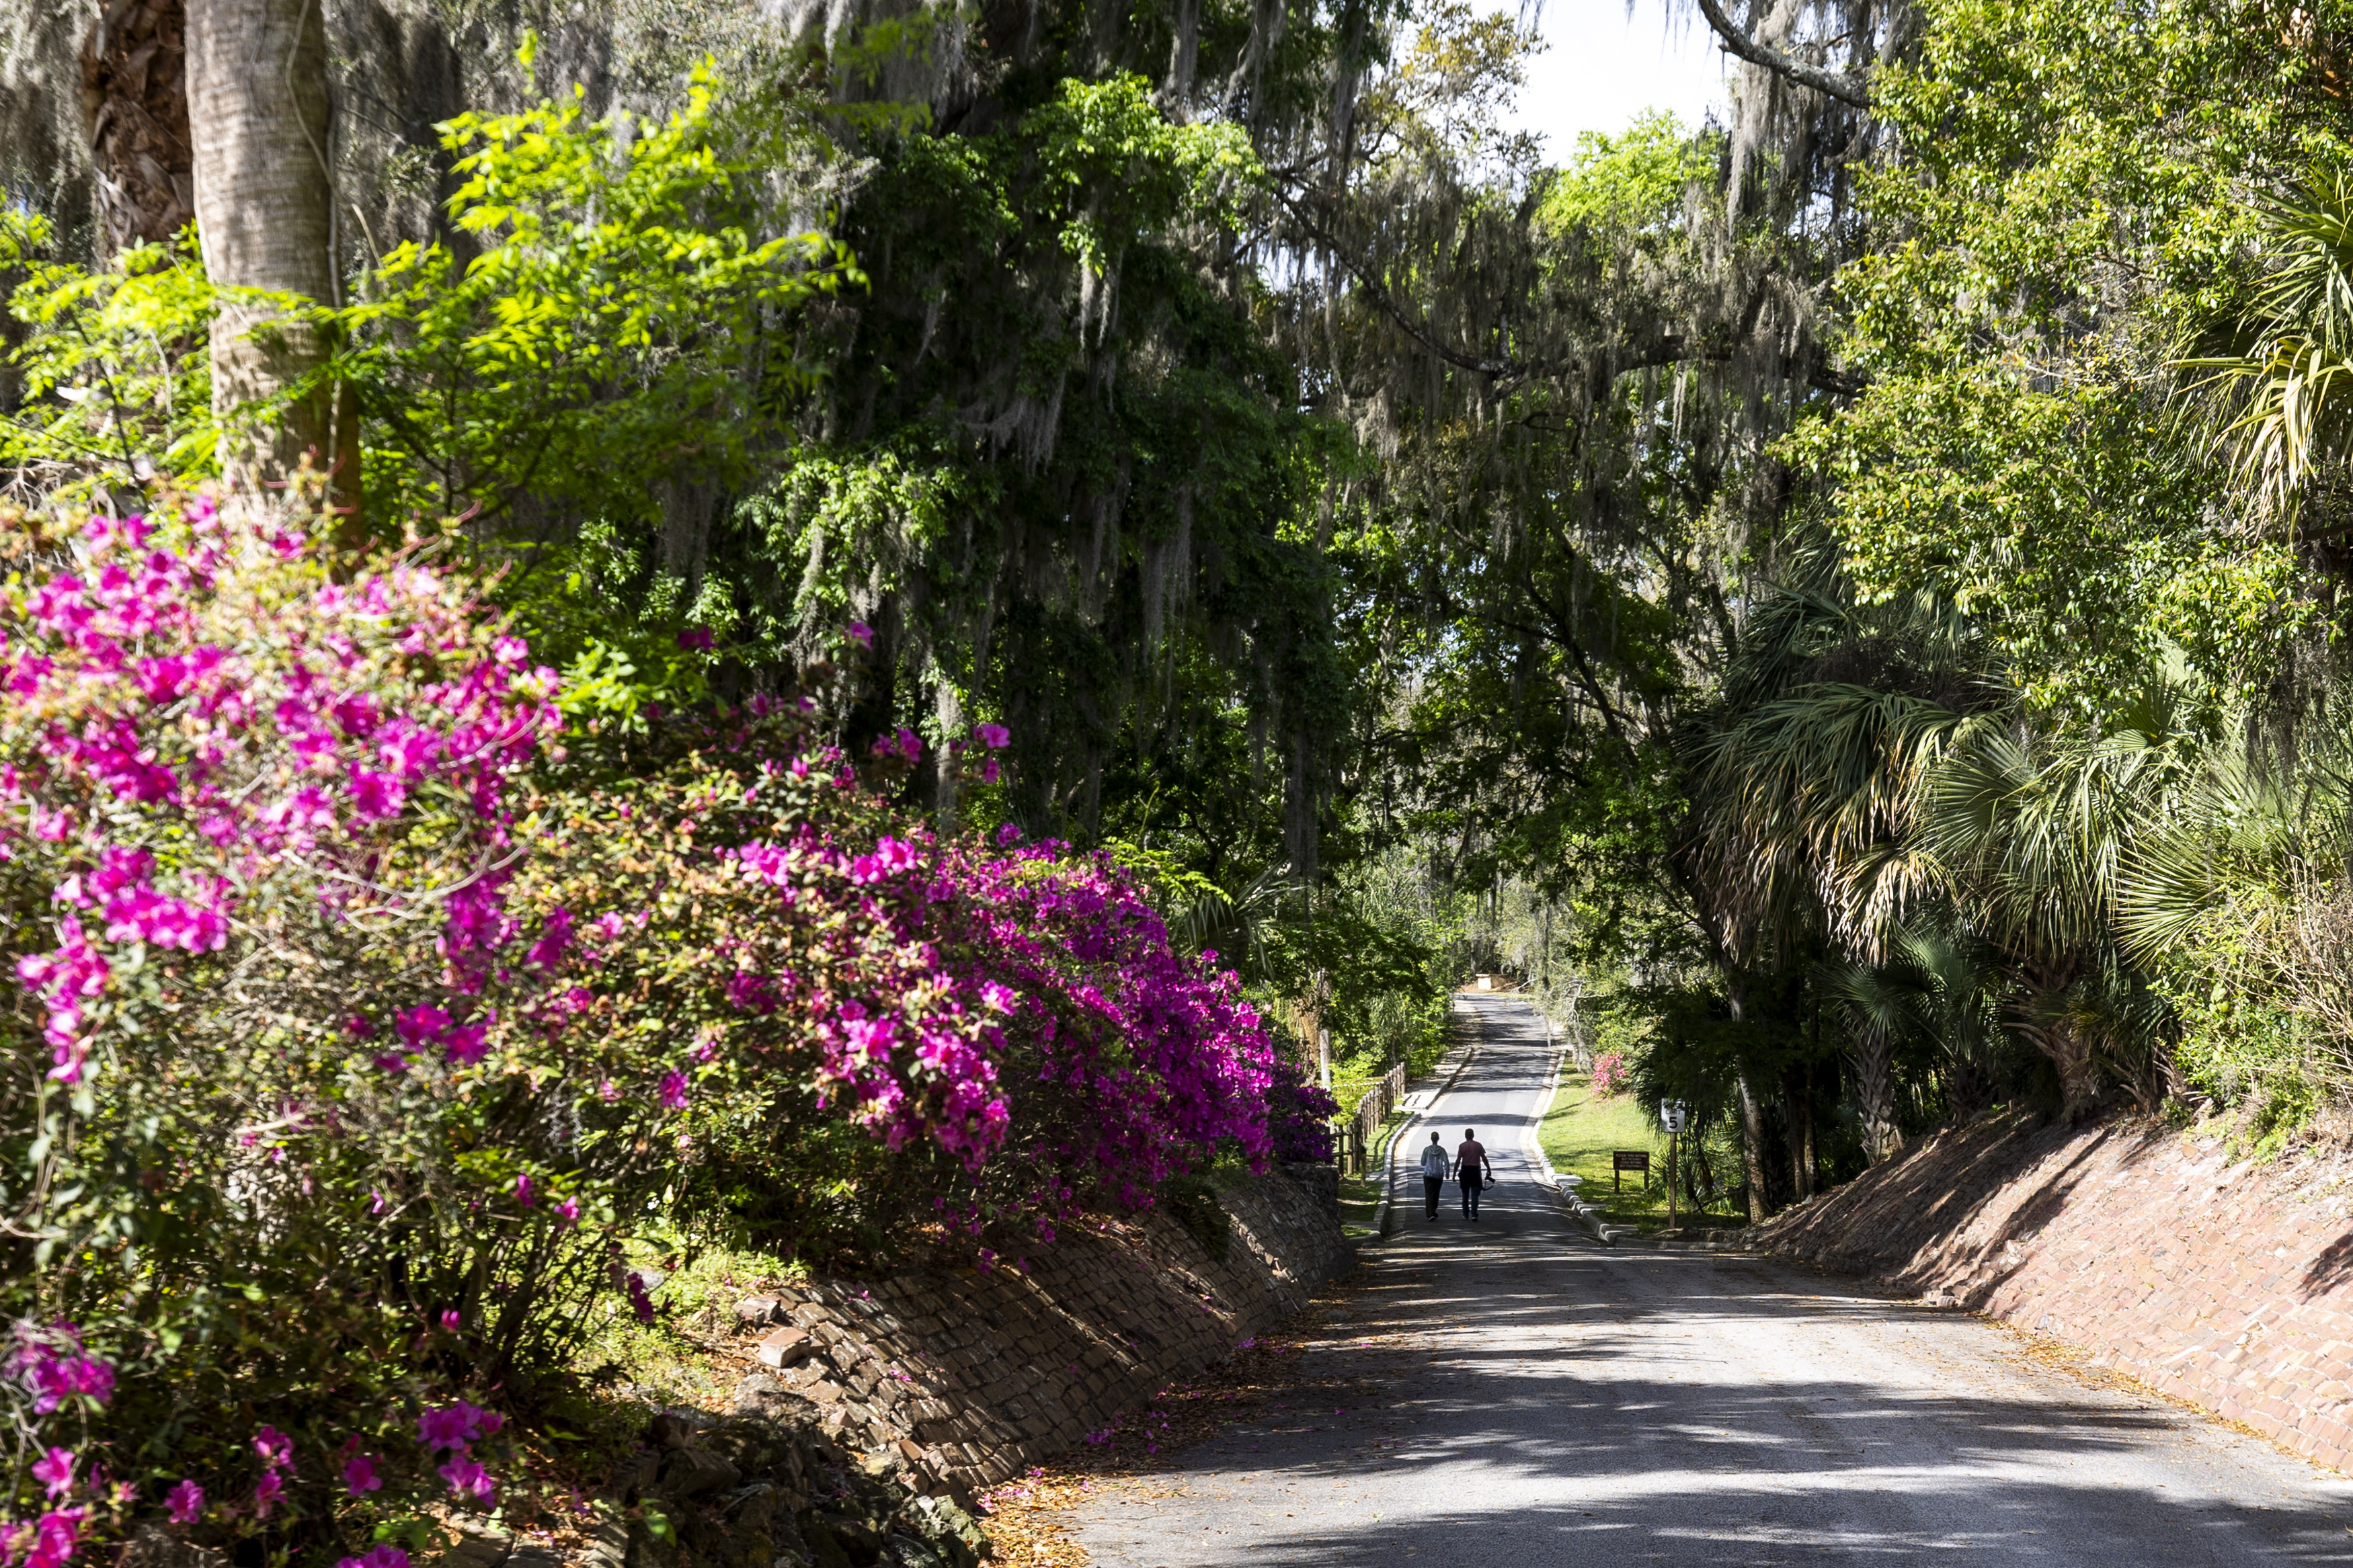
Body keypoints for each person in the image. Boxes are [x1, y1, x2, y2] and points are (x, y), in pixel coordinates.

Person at [1455, 1128, 1490, 1221]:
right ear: (1473, 1135)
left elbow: (1458, 1160)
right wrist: (1488, 1168)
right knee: (1475, 1193)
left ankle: (1465, 1213)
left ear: (1465, 1136)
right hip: (1475, 1171)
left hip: (1465, 1171)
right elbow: (1484, 1158)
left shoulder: (1462, 1146)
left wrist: (1454, 1173)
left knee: (1465, 1193)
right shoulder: (1478, 1146)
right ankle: (1474, 1214)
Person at [1419, 1130, 1449, 1221]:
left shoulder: (1427, 1150)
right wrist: (1447, 1173)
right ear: (1438, 1139)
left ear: (1431, 1139)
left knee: (1429, 1194)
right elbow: (1446, 1162)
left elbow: (1423, 1163)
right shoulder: (1442, 1150)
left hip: (1428, 1174)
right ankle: (1433, 1210)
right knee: (1436, 1193)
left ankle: (1430, 1213)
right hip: (1439, 1175)